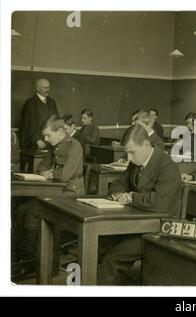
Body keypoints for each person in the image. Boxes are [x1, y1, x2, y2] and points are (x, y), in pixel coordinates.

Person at [97, 124, 181, 285]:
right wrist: (118, 194)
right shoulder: (136, 162)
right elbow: (118, 183)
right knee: (99, 246)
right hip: (135, 224)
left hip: (158, 229)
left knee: (111, 259)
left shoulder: (167, 166)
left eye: (132, 152)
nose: (128, 158)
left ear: (146, 145)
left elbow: (159, 204)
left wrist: (131, 197)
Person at [15, 115, 84, 262]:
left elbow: (65, 175)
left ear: (60, 131)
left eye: (48, 135)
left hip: (70, 194)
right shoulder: (55, 147)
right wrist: (47, 172)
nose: (45, 139)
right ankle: (24, 255)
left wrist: (51, 172)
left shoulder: (74, 146)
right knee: (22, 209)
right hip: (55, 191)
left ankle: (36, 259)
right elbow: (41, 167)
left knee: (33, 211)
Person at [19, 78, 59, 172]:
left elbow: (56, 120)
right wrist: (36, 139)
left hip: (49, 143)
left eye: (48, 87)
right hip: (33, 145)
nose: (47, 90)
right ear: (37, 88)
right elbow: (28, 124)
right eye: (45, 87)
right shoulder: (30, 103)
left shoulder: (52, 102)